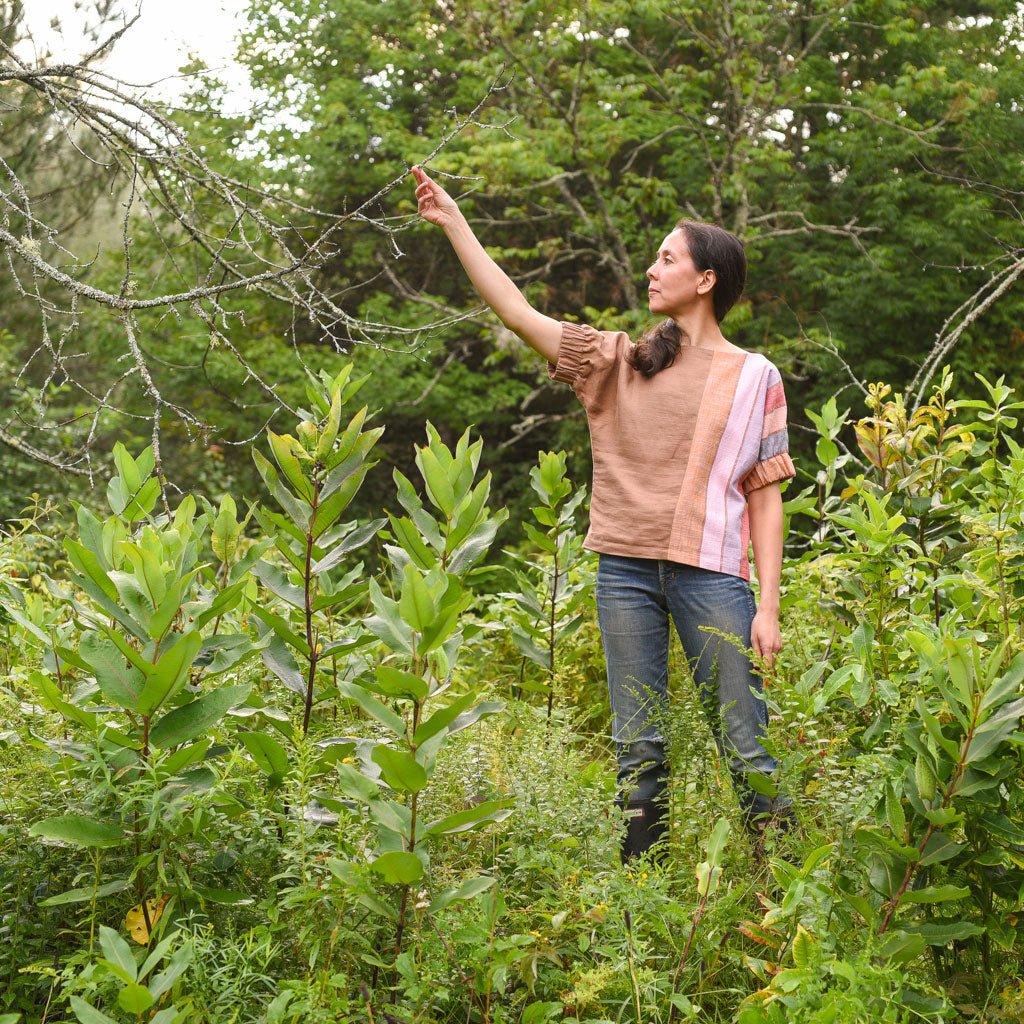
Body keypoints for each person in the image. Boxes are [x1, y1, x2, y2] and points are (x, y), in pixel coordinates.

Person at [411, 164, 797, 863]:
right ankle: (642, 906)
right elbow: (516, 313)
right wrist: (455, 224)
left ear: (706, 280)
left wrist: (767, 605)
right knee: (639, 750)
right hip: (623, 574)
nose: (652, 271)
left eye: (667, 258)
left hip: (713, 577)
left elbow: (764, 496)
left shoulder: (755, 377)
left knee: (746, 741)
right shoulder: (617, 361)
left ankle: (793, 896)